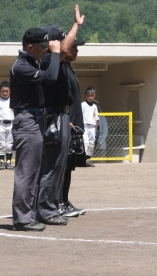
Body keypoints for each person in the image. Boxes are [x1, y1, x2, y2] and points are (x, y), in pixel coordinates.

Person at [36, 5, 85, 226]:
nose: (74, 47)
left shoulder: (61, 64)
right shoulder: (49, 60)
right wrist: (76, 24)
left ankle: (57, 204)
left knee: (62, 166)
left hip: (63, 119)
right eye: (68, 42)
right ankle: (49, 206)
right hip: (53, 119)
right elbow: (63, 51)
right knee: (53, 167)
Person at [10, 28, 60, 231]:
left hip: (34, 118)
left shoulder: (30, 62)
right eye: (43, 48)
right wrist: (55, 54)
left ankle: (28, 215)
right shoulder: (21, 66)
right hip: (27, 119)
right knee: (27, 171)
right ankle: (22, 219)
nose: (46, 52)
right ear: (30, 47)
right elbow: (51, 78)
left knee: (33, 171)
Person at [58, 39, 87, 218]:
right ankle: (59, 203)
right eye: (74, 47)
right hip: (65, 124)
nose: (76, 51)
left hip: (73, 126)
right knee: (61, 167)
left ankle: (64, 201)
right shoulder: (60, 67)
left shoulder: (68, 67)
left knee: (68, 167)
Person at [0, 81, 15, 169]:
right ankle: (1, 161)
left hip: (11, 124)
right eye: (3, 91)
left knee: (9, 144)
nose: (5, 93)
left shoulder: (13, 100)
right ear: (0, 91)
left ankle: (8, 161)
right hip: (1, 124)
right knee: (1, 144)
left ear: (10, 91)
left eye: (7, 91)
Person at [81, 87, 99, 167]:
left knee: (92, 143)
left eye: (92, 95)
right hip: (85, 125)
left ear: (95, 96)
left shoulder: (95, 106)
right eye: (88, 95)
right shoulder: (83, 105)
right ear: (85, 96)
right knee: (85, 142)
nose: (90, 97)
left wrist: (96, 126)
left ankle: (88, 158)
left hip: (92, 126)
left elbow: (96, 117)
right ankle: (83, 159)